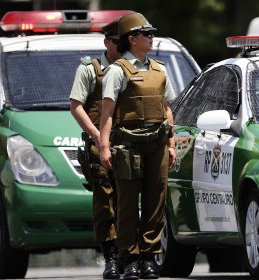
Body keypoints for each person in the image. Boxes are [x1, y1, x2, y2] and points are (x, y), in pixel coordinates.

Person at [99, 12, 176, 280]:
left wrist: (172, 144)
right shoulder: (117, 71)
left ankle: (148, 258)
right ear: (132, 39)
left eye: (153, 34)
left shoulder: (160, 69)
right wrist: (105, 146)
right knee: (128, 203)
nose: (152, 38)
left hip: (157, 145)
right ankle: (129, 257)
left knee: (156, 202)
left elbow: (167, 108)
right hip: (128, 146)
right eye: (147, 34)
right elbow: (106, 113)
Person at [69, 18, 123, 279]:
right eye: (116, 41)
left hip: (132, 144)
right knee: (105, 203)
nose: (121, 45)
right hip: (100, 147)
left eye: (125, 40)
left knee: (134, 202)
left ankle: (134, 254)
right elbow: (76, 106)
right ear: (106, 42)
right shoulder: (91, 70)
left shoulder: (136, 68)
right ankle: (111, 256)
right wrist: (98, 137)